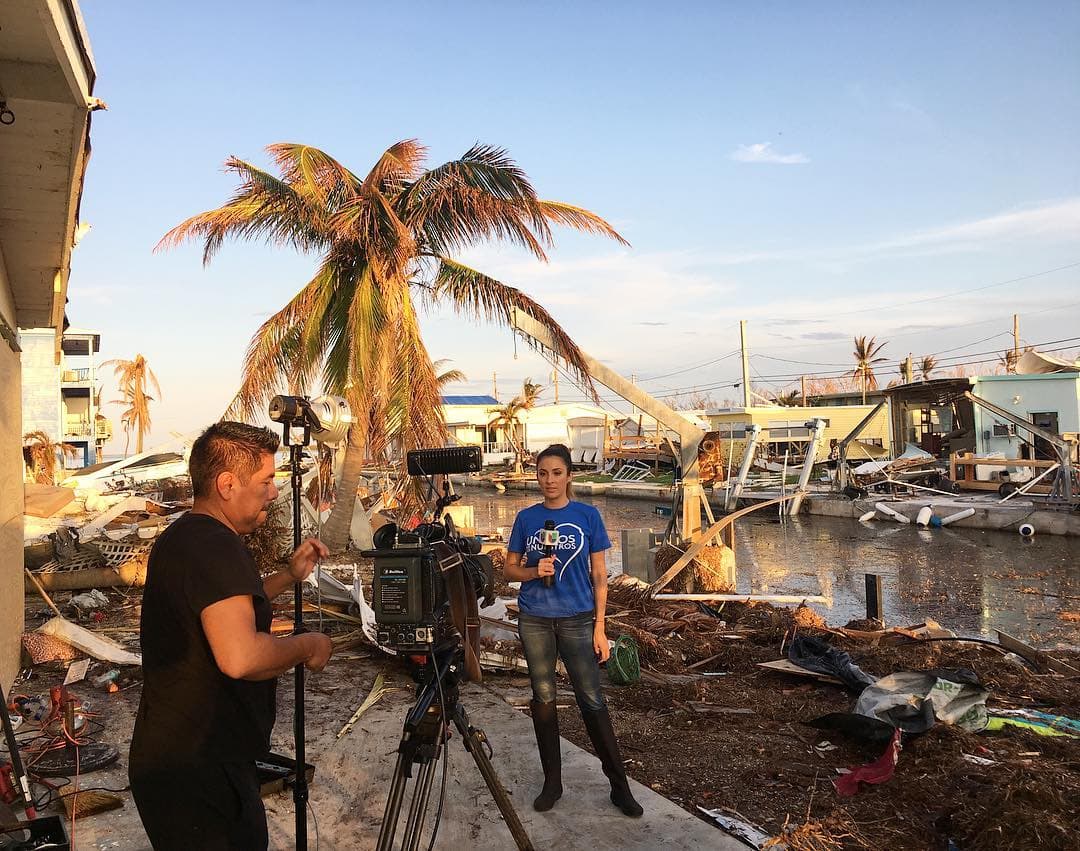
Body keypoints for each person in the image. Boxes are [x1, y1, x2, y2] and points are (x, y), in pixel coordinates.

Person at [129, 421, 335, 850]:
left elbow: (225, 606)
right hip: (200, 772)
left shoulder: (186, 536)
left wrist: (290, 576)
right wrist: (308, 645)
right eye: (266, 481)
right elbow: (240, 657)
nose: (274, 492)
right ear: (227, 484)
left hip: (176, 763)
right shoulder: (216, 546)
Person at [503, 444, 643, 818]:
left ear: (569, 476)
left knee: (591, 700)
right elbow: (509, 570)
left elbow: (599, 575)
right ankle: (553, 783)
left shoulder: (587, 515)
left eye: (556, 473)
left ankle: (619, 787)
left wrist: (601, 627)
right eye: (543, 473)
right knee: (543, 698)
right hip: (534, 618)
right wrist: (534, 572)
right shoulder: (527, 519)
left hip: (579, 618)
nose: (549, 480)